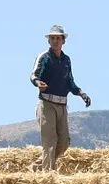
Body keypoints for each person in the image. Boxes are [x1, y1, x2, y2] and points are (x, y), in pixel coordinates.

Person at [30, 25, 91, 171]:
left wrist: (81, 93)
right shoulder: (44, 57)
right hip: (47, 104)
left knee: (64, 142)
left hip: (62, 105)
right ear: (49, 41)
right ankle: (48, 175)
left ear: (63, 41)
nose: (55, 41)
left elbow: (70, 82)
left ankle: (37, 167)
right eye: (52, 38)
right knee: (50, 141)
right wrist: (38, 83)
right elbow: (34, 75)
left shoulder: (66, 60)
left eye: (58, 38)